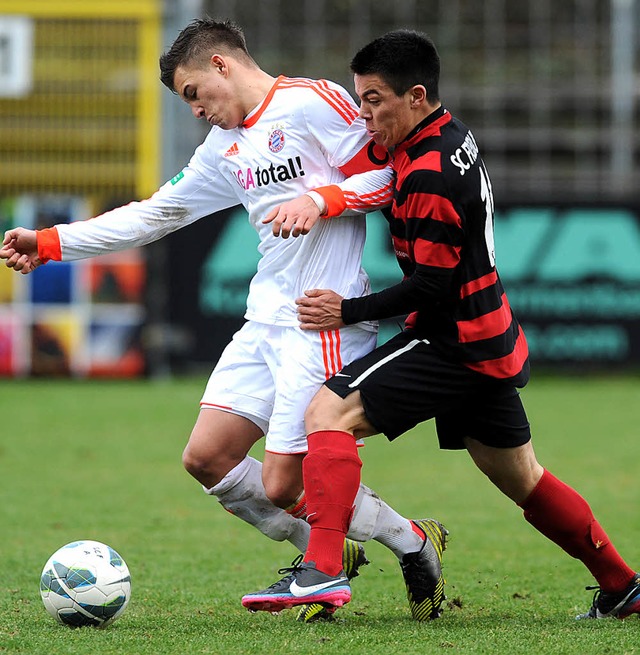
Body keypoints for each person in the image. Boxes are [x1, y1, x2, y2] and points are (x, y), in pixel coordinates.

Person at [0, 19, 448, 622]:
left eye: (192, 94)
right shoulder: (223, 149)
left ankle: (404, 543)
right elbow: (153, 215)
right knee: (207, 458)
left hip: (322, 323)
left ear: (220, 66)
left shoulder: (311, 104)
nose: (194, 111)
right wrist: (51, 241)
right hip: (264, 320)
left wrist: (321, 199)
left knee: (283, 486)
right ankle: (340, 547)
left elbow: (389, 174)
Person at [241, 29, 640, 621]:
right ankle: (622, 583)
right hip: (489, 339)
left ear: (416, 95)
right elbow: (380, 178)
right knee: (522, 477)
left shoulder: (429, 172)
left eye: (374, 100)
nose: (364, 114)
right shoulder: (443, 136)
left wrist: (345, 311)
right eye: (360, 99)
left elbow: (432, 286)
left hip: (450, 341)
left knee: (328, 413)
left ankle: (321, 570)